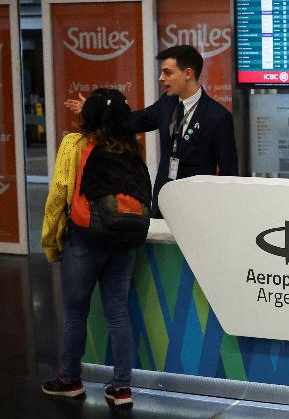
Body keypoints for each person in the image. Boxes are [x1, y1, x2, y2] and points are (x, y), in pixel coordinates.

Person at [41, 88, 151, 408]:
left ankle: (70, 380)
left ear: (88, 116)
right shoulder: (133, 146)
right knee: (117, 310)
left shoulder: (74, 144)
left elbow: (59, 195)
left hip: (85, 238)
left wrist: (50, 242)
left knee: (76, 313)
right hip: (125, 239)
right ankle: (121, 388)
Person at [65, 45, 239, 217]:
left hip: (198, 208)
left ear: (188, 73)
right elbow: (134, 121)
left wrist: (221, 213)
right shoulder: (167, 103)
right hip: (163, 203)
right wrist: (95, 110)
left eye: (168, 72)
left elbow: (228, 172)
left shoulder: (218, 117)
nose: (161, 78)